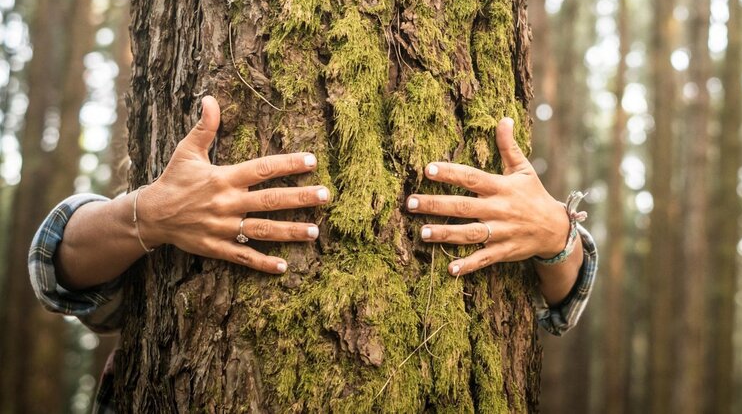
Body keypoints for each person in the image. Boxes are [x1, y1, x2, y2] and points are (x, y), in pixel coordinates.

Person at [29, 96, 597, 407]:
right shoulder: (171, 199)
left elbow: (561, 302)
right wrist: (147, 215)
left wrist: (556, 232)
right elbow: (55, 269)